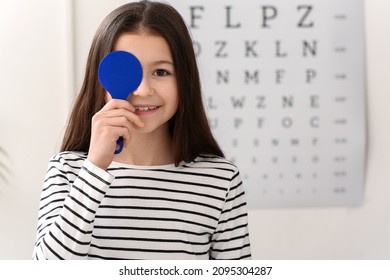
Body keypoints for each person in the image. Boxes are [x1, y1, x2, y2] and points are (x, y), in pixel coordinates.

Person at [33, 0, 251, 260]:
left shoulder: (220, 179)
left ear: (185, 78)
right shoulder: (67, 171)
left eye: (161, 71)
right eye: (129, 72)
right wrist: (94, 168)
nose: (144, 90)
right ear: (99, 80)